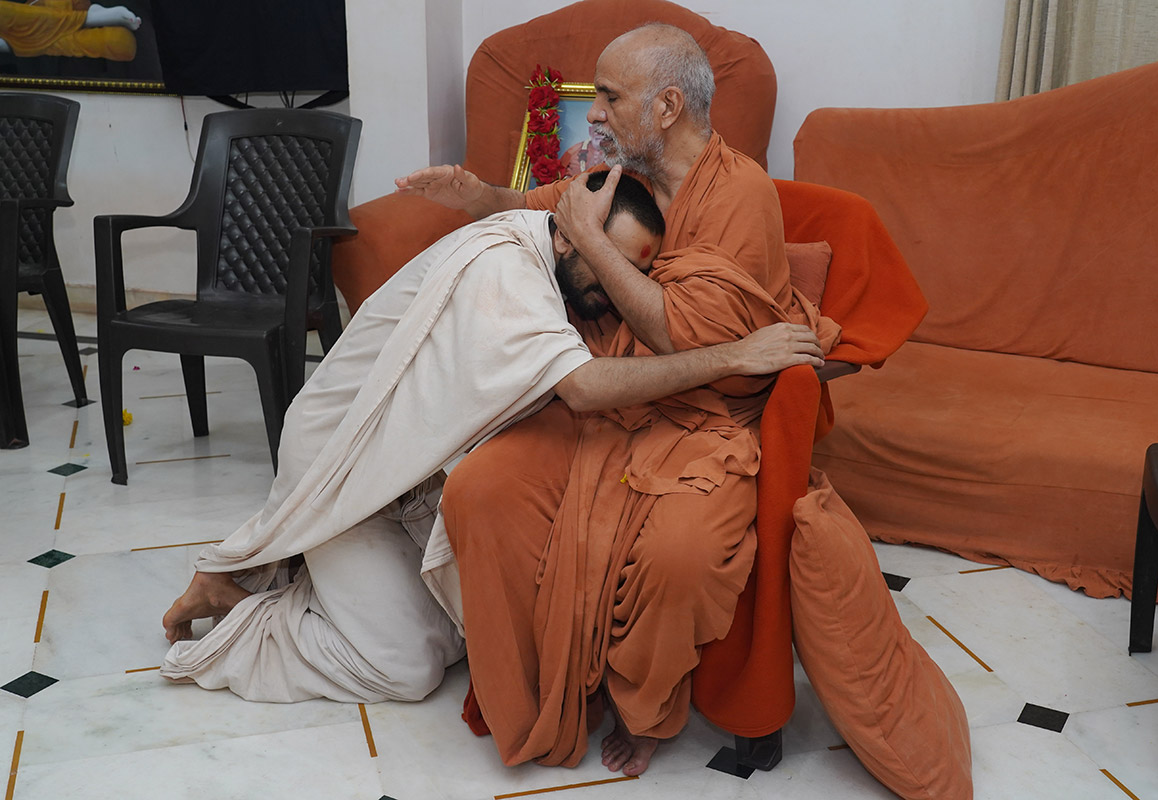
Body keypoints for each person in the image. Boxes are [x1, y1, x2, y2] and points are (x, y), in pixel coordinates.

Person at [157, 170, 827, 705]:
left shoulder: (542, 246)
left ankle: (294, 577)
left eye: (635, 273)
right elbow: (583, 387)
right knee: (408, 667)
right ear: (569, 237)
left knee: (461, 633)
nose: (620, 288)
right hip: (345, 468)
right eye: (607, 261)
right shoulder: (507, 271)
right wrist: (734, 356)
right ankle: (243, 615)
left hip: (409, 477)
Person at [396, 23, 841, 777]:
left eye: (609, 96)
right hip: (599, 403)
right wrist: (479, 196)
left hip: (702, 422)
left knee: (681, 554)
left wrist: (593, 242)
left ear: (667, 107)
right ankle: (537, 688)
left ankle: (645, 710)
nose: (594, 112)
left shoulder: (740, 194)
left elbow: (680, 335)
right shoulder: (614, 174)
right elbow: (541, 205)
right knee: (478, 492)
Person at [0, 1, 140, 61]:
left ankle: (91, 16)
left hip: (37, 29)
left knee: (121, 40)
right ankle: (90, 17)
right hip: (20, 35)